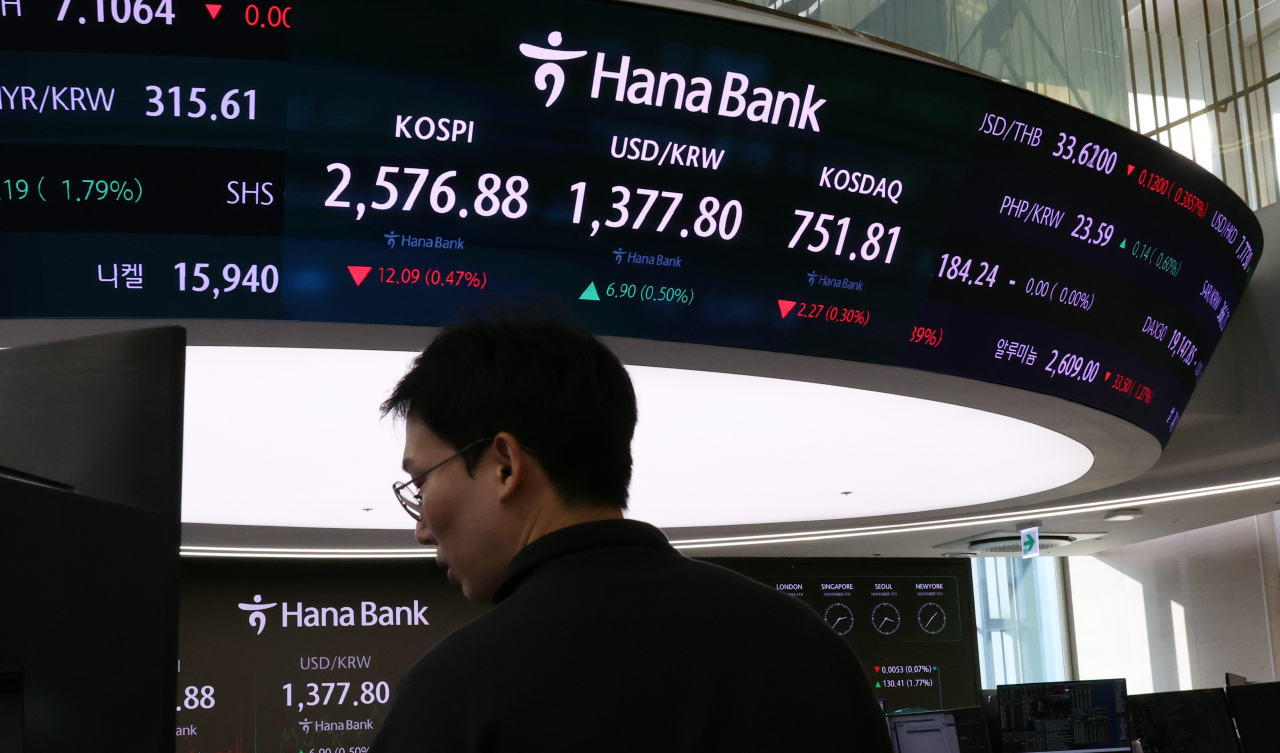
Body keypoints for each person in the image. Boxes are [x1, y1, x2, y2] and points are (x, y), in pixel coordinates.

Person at [372, 318, 892, 752]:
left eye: (420, 482)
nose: (420, 528)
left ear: (505, 465)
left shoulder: (455, 695)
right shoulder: (810, 649)